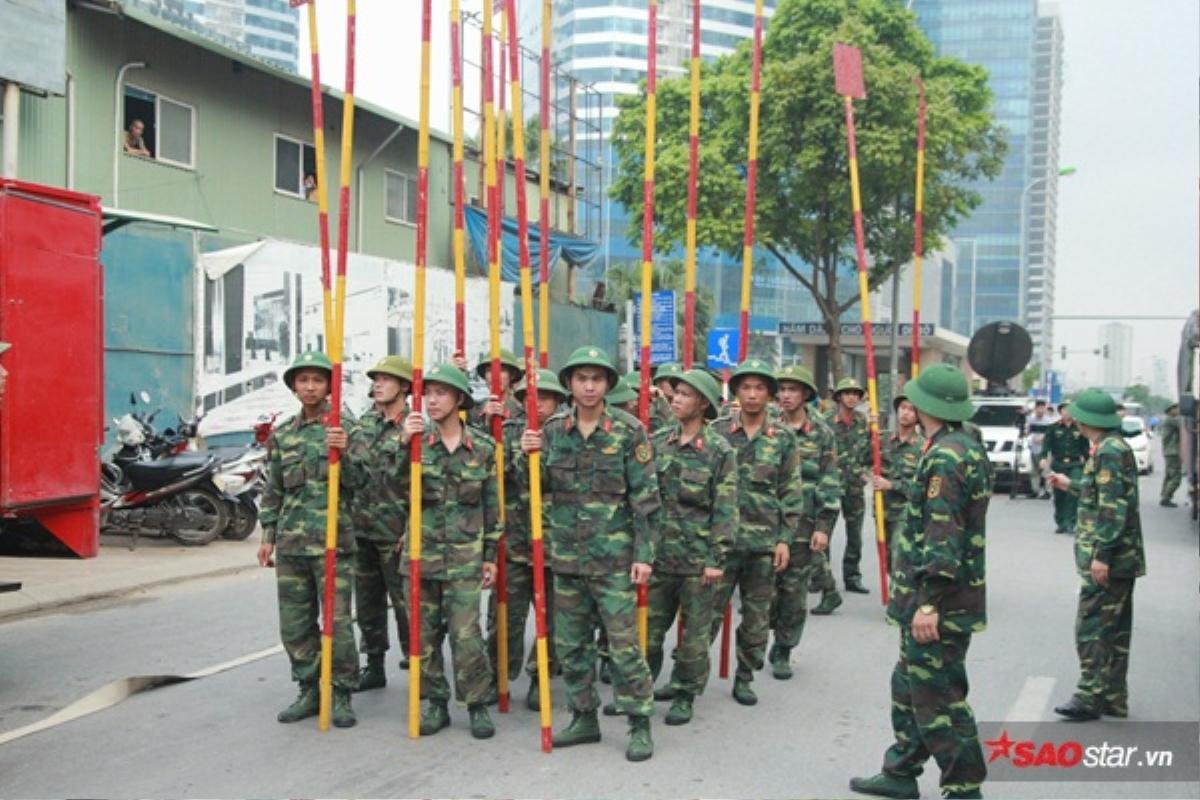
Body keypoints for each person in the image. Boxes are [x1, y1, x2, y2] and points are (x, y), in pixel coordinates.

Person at [850, 363, 991, 800]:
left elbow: (943, 535)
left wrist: (929, 602)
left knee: (939, 697)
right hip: (933, 595)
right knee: (910, 686)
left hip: (940, 600)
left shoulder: (947, 456)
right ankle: (901, 770)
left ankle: (965, 786)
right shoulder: (960, 445)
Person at [520, 346, 661, 762]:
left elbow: (647, 499)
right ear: (569, 384)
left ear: (607, 385)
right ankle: (584, 717)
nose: (588, 386)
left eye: (597, 379)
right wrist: (526, 453)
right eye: (581, 378)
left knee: (623, 646)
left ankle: (638, 721)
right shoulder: (551, 431)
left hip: (614, 560)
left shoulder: (629, 431)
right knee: (572, 646)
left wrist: (644, 555)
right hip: (567, 558)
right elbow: (533, 487)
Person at [257, 350, 361, 728]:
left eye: (318, 380)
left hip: (334, 542)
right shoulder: (284, 433)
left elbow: (364, 482)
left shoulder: (345, 426)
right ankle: (309, 688)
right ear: (294, 387)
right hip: (291, 544)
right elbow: (274, 489)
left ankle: (342, 691)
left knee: (337, 622)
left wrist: (344, 453)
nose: (310, 387)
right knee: (295, 623)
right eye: (303, 380)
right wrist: (268, 534)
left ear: (329, 385)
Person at [400, 364, 501, 739]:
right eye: (429, 393)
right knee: (423, 637)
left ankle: (476, 703)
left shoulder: (484, 449)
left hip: (465, 559)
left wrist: (490, 554)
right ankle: (435, 703)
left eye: (442, 393)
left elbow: (492, 507)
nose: (433, 400)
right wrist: (400, 446)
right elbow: (387, 488)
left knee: (466, 636)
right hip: (420, 557)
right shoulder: (414, 445)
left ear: (459, 399)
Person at [643, 368, 737, 725]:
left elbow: (726, 508)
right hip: (659, 556)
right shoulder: (658, 441)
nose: (676, 399)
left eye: (684, 394)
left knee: (695, 635)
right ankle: (642, 689)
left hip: (698, 561)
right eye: (675, 393)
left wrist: (717, 557)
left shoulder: (719, 450)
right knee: (648, 630)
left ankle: (685, 693)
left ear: (702, 403)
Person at [1048, 389, 1144, 721]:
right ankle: (1114, 696)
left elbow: (1113, 508)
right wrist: (1069, 485)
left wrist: (1102, 554)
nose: (1072, 418)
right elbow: (1102, 493)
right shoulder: (1110, 448)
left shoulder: (1108, 452)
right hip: (1122, 557)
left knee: (1091, 627)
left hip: (1110, 558)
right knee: (1115, 630)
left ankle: (1089, 695)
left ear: (1088, 419)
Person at [709, 359, 801, 706]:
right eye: (745, 388)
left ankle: (745, 676)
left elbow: (791, 491)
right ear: (736, 393)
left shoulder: (783, 438)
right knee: (707, 614)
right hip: (722, 541)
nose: (751, 395)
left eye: (759, 388)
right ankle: (690, 679)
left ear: (769, 395)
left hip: (762, 544)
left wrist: (784, 539)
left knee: (756, 617)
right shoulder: (717, 432)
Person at [488, 367, 567, 711]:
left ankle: (540, 677)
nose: (540, 404)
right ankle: (498, 675)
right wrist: (521, 453)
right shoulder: (506, 431)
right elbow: (494, 477)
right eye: (533, 398)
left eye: (547, 397)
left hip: (556, 544)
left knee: (552, 621)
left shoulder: (568, 432)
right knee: (504, 618)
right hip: (515, 541)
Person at [345, 356, 413, 692]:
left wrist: (412, 528)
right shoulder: (362, 425)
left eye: (386, 379)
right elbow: (357, 472)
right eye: (376, 379)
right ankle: (373, 664)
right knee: (368, 603)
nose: (378, 384)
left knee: (406, 607)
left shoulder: (416, 428)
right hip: (362, 529)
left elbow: (424, 486)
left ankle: (420, 669)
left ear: (403, 386)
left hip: (396, 531)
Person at [770, 365, 840, 662]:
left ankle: (785, 647)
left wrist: (823, 526)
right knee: (766, 591)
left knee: (794, 592)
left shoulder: (822, 433)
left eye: (792, 390)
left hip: (803, 524)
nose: (785, 396)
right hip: (767, 522)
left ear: (806, 395)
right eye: (782, 390)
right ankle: (769, 633)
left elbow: (830, 480)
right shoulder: (768, 426)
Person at [823, 377, 872, 594]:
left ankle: (852, 576)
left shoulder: (864, 422)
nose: (852, 397)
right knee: (824, 533)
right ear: (839, 397)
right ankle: (821, 578)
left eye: (855, 393)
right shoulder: (825, 421)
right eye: (847, 393)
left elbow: (871, 453)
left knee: (855, 536)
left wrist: (865, 472)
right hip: (831, 485)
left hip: (854, 487)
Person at [872, 394, 925, 574]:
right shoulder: (882, 439)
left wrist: (892, 485)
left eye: (911, 409)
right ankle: (901, 596)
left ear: (918, 416)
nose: (906, 413)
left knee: (898, 557)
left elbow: (921, 488)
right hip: (882, 510)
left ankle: (902, 600)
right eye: (903, 408)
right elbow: (859, 460)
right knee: (886, 559)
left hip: (905, 513)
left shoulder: (922, 447)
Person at [1041, 403, 1089, 533]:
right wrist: (1043, 457)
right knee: (1059, 494)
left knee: (1073, 491)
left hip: (1075, 464)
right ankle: (1061, 522)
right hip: (1058, 464)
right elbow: (1046, 445)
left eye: (1069, 410)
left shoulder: (1079, 428)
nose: (1067, 412)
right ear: (1060, 412)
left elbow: (1085, 448)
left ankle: (1070, 522)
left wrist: (1090, 462)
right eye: (1064, 410)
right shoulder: (1053, 428)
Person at [464, 348, 525, 429]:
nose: (495, 376)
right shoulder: (474, 410)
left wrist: (507, 420)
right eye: (489, 371)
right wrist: (486, 422)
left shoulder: (522, 410)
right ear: (484, 376)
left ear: (512, 375)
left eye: (502, 370)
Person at [1025, 399, 1053, 498]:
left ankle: (1047, 491)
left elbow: (1051, 434)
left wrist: (1043, 438)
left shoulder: (1048, 420)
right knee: (1034, 471)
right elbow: (1027, 432)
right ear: (1035, 408)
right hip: (1033, 448)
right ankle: (1035, 490)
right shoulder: (1030, 419)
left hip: (1045, 449)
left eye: (1042, 408)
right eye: (1038, 408)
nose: (1040, 410)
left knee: (1046, 470)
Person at [1159, 402, 1182, 507]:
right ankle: (1166, 497)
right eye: (1176, 409)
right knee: (1176, 477)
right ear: (1171, 410)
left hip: (1169, 451)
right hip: (1173, 452)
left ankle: (1164, 495)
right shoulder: (1171, 420)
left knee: (1169, 475)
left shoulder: (1169, 420)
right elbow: (1183, 426)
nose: (1178, 411)